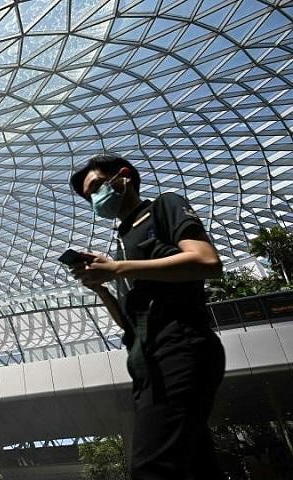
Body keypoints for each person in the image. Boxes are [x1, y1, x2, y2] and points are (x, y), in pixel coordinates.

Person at [68, 153, 226, 480]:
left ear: (124, 176)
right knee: (195, 468)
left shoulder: (163, 207)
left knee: (151, 469)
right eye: (89, 195)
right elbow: (128, 324)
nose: (95, 197)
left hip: (180, 346)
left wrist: (117, 268)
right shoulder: (123, 241)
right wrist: (103, 287)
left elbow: (207, 262)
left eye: (97, 186)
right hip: (147, 363)